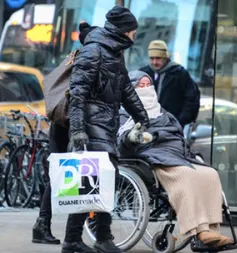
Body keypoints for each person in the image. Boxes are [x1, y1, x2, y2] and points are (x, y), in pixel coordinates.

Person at [64, 6, 150, 253]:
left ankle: (97, 238)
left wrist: (142, 117)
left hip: (105, 127)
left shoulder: (113, 53)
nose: (134, 36)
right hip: (91, 130)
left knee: (100, 186)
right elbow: (77, 95)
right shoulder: (93, 52)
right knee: (92, 186)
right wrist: (78, 130)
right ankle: (86, 239)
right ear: (123, 31)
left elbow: (125, 90)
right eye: (133, 31)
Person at [117, 70, 233, 248]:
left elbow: (177, 134)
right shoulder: (125, 114)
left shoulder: (162, 113)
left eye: (149, 85)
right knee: (185, 175)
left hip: (177, 154)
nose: (147, 88)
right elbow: (121, 141)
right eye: (141, 85)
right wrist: (131, 137)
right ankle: (200, 231)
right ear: (131, 89)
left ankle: (212, 230)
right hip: (153, 158)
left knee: (210, 174)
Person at [32, 21, 97, 246]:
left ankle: (42, 225)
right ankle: (63, 231)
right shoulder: (87, 59)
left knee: (59, 174)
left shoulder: (72, 56)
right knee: (73, 175)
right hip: (69, 123)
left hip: (61, 121)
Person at [139, 40, 200, 127]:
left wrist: (179, 122)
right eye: (152, 58)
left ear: (165, 58)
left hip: (171, 126)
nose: (154, 62)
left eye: (158, 58)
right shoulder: (144, 73)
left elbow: (191, 100)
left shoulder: (179, 73)